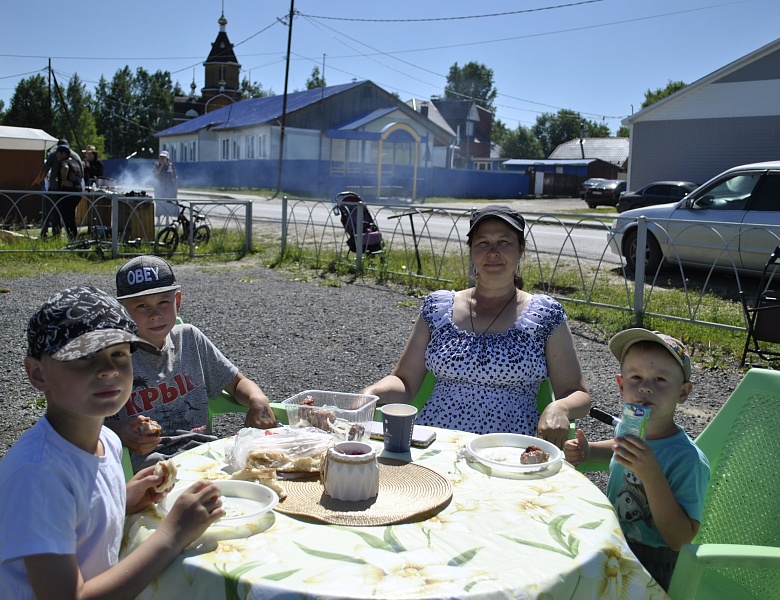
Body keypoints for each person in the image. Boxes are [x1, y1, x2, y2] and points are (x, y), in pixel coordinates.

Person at [0, 285, 225, 599]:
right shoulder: (38, 474)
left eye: (118, 354)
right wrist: (173, 535)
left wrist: (126, 496)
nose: (107, 370)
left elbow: (82, 517)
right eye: (83, 358)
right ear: (38, 374)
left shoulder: (106, 438)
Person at [360, 205, 591, 448]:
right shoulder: (438, 307)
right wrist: (370, 393)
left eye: (503, 242)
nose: (493, 252)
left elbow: (577, 393)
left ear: (521, 249)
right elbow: (404, 382)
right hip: (437, 445)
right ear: (471, 250)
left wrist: (560, 407)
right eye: (483, 243)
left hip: (510, 451)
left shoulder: (545, 314)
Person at [563, 328, 710, 591]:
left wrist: (652, 475)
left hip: (655, 561)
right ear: (621, 385)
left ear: (683, 392)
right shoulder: (629, 428)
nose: (645, 387)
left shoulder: (688, 460)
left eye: (661, 379)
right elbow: (619, 448)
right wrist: (589, 451)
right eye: (636, 377)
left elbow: (679, 538)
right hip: (615, 538)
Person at [110, 255, 277, 470]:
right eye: (141, 306)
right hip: (153, 468)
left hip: (207, 454)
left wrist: (257, 397)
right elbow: (87, 425)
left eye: (163, 302)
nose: (155, 314)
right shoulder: (113, 359)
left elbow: (236, 383)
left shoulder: (189, 339)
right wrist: (120, 433)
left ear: (177, 301)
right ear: (122, 312)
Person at [31, 138, 83, 238]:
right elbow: (82, 173)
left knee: (52, 211)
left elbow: (46, 168)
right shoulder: (76, 156)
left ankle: (54, 233)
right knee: (69, 214)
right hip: (74, 190)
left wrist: (42, 180)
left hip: (57, 188)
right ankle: (72, 235)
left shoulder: (55, 155)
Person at [53, 143, 84, 241]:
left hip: (67, 193)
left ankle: (72, 238)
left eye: (58, 153)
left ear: (63, 153)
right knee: (71, 215)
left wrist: (63, 181)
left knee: (67, 216)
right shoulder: (75, 162)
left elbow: (65, 168)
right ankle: (73, 236)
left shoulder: (64, 162)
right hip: (77, 190)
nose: (57, 155)